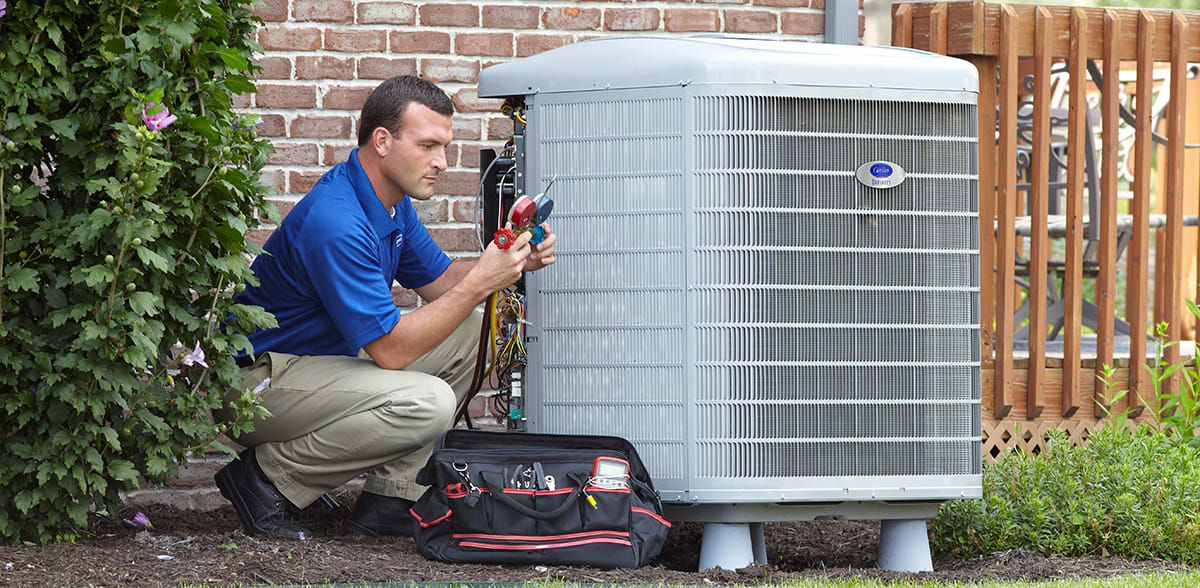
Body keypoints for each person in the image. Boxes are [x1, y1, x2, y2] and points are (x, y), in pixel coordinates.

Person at [213, 75, 555, 540]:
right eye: (429, 145)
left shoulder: (389, 203)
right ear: (383, 141)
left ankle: (391, 500)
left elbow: (440, 285)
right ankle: (266, 479)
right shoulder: (338, 220)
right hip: (257, 386)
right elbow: (391, 352)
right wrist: (481, 282)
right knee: (426, 402)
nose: (441, 163)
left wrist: (512, 263)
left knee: (478, 331)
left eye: (446, 148)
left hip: (316, 366)